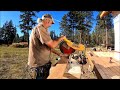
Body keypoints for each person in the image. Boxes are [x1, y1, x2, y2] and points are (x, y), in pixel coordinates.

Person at [27, 14, 66, 79]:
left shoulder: (43, 29)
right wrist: (61, 38)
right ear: (47, 20)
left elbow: (48, 46)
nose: (50, 25)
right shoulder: (40, 28)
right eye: (51, 23)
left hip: (43, 64)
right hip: (38, 66)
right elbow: (52, 44)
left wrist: (59, 54)